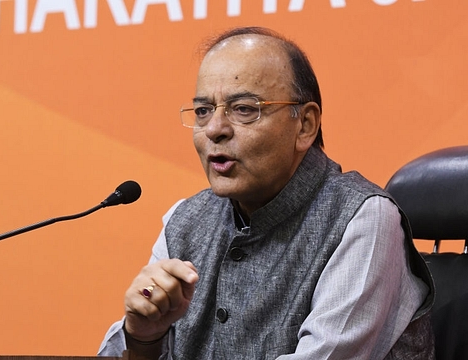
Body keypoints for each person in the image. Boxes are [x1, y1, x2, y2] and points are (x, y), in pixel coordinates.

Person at [98, 26, 435, 359]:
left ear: (305, 125)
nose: (214, 129)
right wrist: (142, 336)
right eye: (203, 111)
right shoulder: (184, 221)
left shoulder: (362, 220)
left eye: (244, 108)